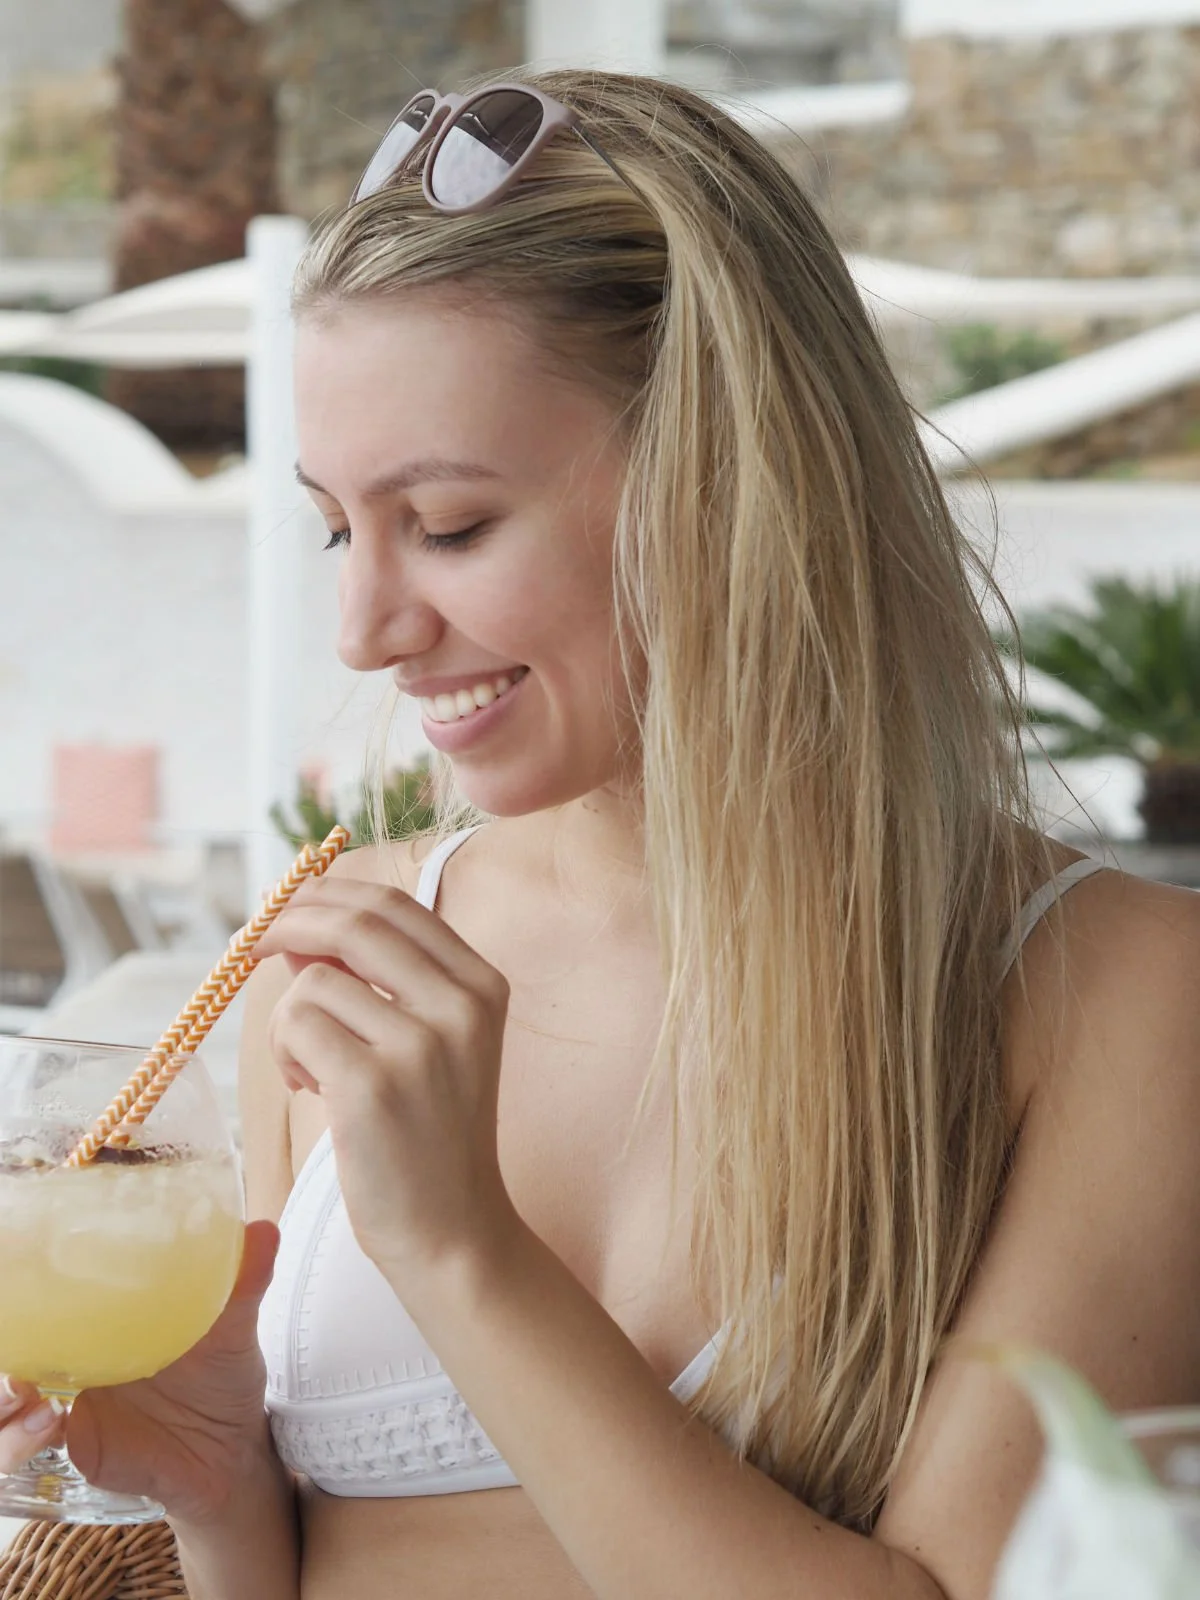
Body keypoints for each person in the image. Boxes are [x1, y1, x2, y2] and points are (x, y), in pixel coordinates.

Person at [4, 65, 1200, 1600]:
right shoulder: (350, 959)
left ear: (727, 481)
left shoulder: (1114, 994)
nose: (363, 630)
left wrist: (465, 1254)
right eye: (336, 527)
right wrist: (222, 1491)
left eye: (447, 525)